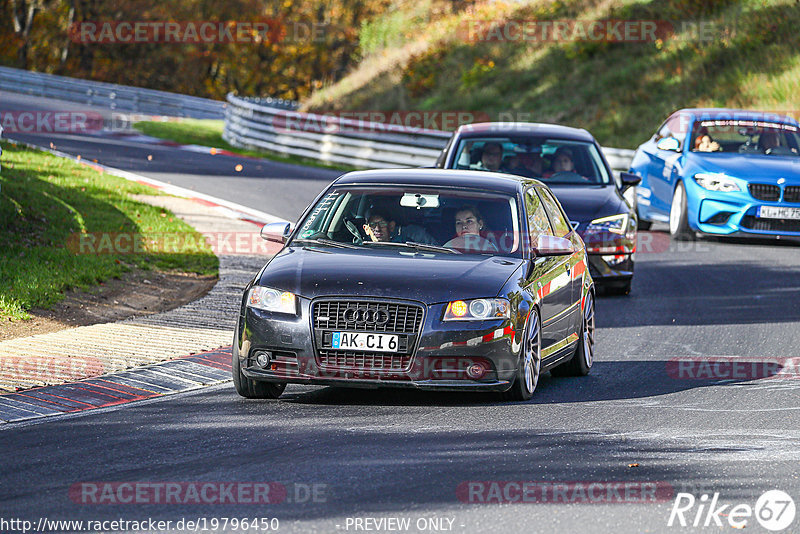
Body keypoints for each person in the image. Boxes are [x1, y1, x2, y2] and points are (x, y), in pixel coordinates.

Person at [365, 210, 437, 245]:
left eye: (382, 223)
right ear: (366, 229)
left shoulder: (405, 244)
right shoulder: (358, 249)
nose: (377, 229)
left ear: (391, 226)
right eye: (372, 224)